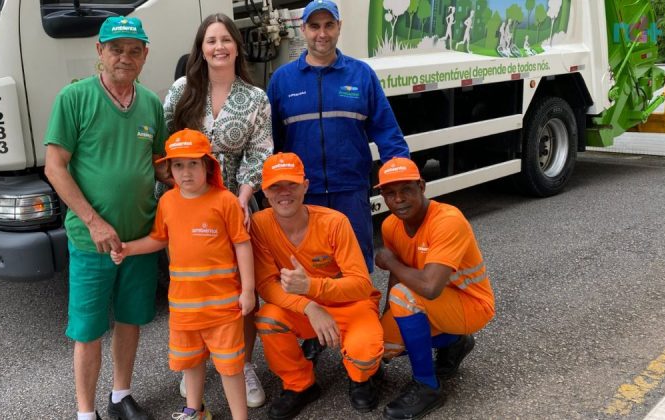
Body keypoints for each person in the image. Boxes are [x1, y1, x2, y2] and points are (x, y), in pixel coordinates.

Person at [44, 16, 168, 420]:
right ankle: (85, 413)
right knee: (88, 330)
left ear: (145, 55)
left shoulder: (150, 102)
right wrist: (94, 222)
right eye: (116, 49)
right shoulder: (75, 98)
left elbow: (158, 164)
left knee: (131, 321)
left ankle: (120, 397)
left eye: (135, 50)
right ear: (100, 51)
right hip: (91, 241)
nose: (125, 58)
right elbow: (55, 166)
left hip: (140, 239)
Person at [162, 13, 272, 407]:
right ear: (201, 49)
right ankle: (195, 363)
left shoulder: (255, 98)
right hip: (188, 204)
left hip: (233, 203)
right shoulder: (181, 91)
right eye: (211, 41)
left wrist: (242, 198)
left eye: (226, 39)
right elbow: (166, 144)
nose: (219, 47)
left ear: (237, 47)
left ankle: (240, 363)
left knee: (239, 288)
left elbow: (260, 151)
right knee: (193, 285)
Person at [111, 129, 255, 420]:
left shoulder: (225, 200)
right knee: (190, 361)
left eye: (193, 164)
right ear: (169, 169)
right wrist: (128, 249)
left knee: (230, 366)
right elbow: (159, 239)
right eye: (178, 165)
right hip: (184, 305)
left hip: (223, 304)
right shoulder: (167, 202)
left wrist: (248, 289)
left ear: (207, 166)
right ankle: (194, 409)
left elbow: (242, 244)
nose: (185, 172)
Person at [266, 0, 409, 274]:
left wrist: (402, 177)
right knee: (309, 266)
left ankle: (360, 315)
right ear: (303, 29)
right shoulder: (282, 80)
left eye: (329, 25)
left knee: (354, 263)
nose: (322, 33)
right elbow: (271, 143)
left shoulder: (361, 75)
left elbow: (387, 132)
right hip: (303, 195)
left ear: (339, 27)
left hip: (350, 190)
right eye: (315, 26)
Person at [251, 153, 385, 419]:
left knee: (365, 355)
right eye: (275, 186)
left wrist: (312, 286)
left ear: (306, 186)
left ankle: (362, 377)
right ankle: (300, 385)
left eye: (291, 184)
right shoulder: (260, 224)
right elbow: (266, 285)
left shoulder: (334, 222)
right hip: (305, 308)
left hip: (349, 304)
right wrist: (311, 306)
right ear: (264, 191)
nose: (284, 193)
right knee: (268, 319)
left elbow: (361, 284)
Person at [373, 157, 495, 420]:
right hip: (431, 303)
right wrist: (386, 318)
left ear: (422, 185)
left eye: (406, 189)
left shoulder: (448, 220)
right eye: (390, 193)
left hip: (471, 304)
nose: (399, 199)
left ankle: (428, 386)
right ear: (382, 195)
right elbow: (398, 275)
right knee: (381, 344)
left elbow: (429, 288)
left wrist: (391, 262)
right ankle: (454, 343)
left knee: (404, 296)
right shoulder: (390, 225)